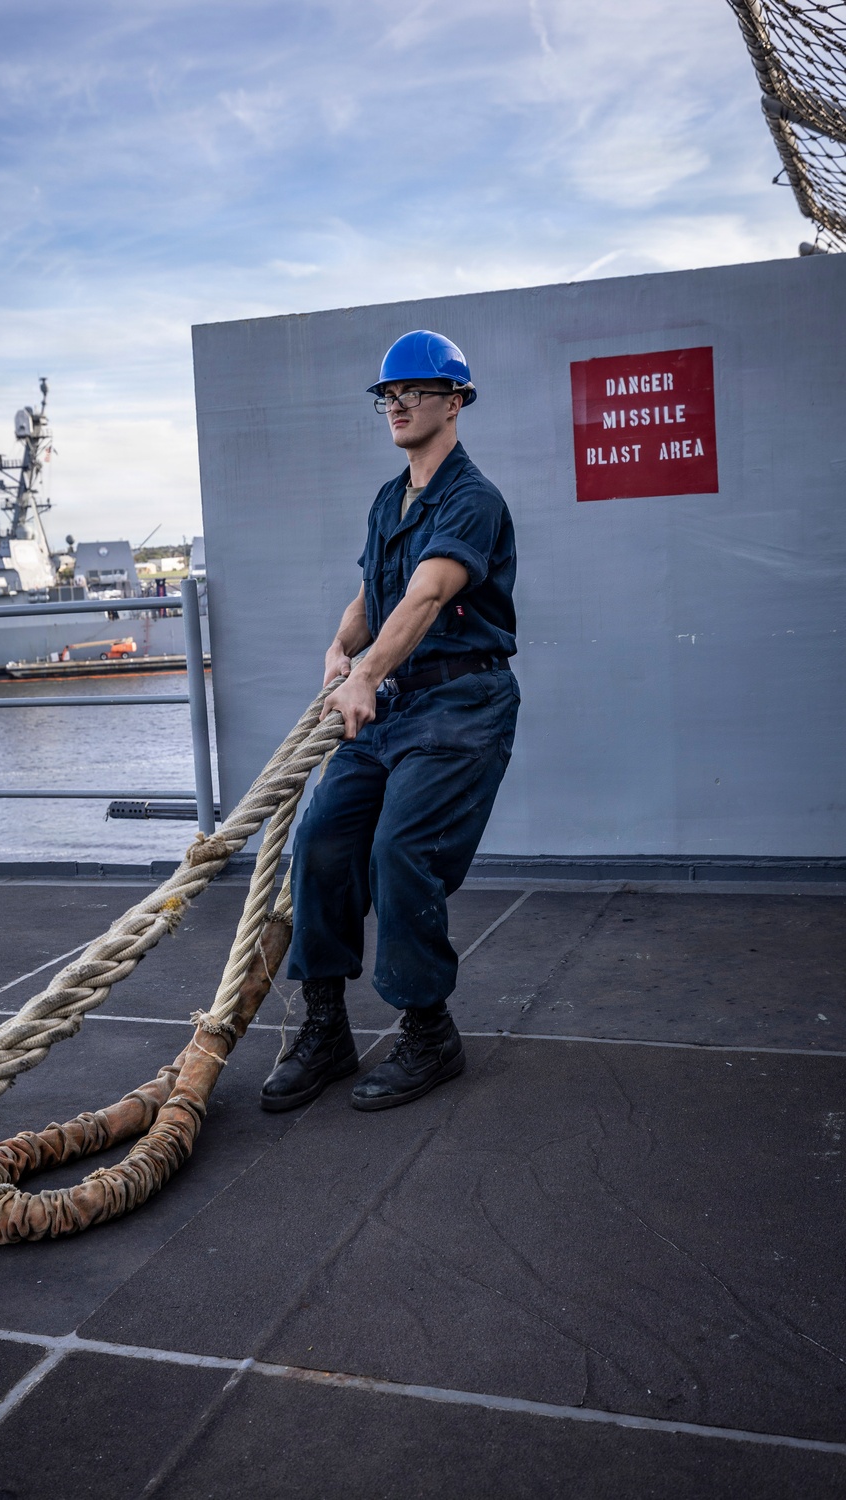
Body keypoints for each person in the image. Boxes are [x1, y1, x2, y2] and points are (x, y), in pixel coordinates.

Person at [260, 330, 519, 1114]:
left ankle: (429, 1034)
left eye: (414, 390)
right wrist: (342, 647)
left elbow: (430, 595)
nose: (397, 403)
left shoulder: (473, 500)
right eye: (388, 394)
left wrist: (368, 672)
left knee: (401, 850)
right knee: (323, 840)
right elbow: (377, 594)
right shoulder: (388, 499)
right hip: (393, 703)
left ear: (455, 401)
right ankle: (327, 1028)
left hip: (460, 703)